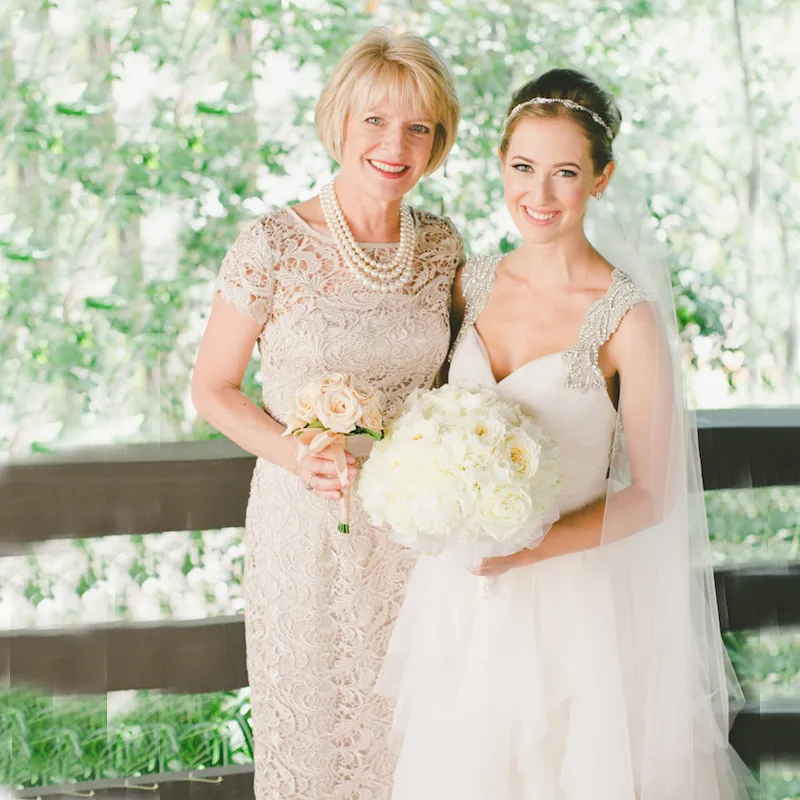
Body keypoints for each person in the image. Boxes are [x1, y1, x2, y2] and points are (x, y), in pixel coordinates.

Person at [378, 68, 754, 799]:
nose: (539, 195)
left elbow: (652, 495)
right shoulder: (470, 285)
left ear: (601, 179)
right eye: (523, 168)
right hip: (462, 604)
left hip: (575, 601)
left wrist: (525, 549)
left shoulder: (628, 319)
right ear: (500, 165)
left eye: (565, 173)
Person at [191, 28, 463, 800]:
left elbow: (454, 382)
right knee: (319, 741)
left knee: (420, 743)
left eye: (419, 127)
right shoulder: (272, 244)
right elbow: (213, 387)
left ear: (438, 142)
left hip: (418, 534)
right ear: (339, 121)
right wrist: (293, 455)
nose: (395, 144)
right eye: (375, 120)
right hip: (308, 524)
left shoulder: (443, 246)